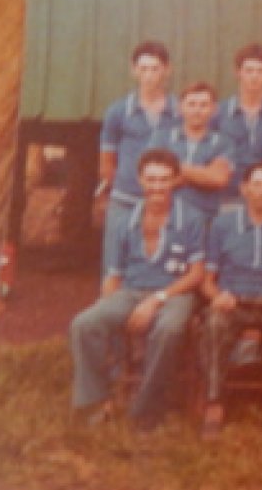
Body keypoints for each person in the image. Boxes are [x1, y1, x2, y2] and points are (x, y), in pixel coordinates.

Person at [70, 148, 203, 430]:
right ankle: (98, 400)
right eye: (151, 179)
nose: (157, 187)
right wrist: (106, 307)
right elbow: (114, 274)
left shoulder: (191, 218)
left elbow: (197, 274)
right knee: (84, 323)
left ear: (176, 180)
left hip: (175, 292)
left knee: (168, 329)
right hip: (131, 291)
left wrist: (157, 300)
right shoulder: (123, 220)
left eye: (164, 179)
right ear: (140, 180)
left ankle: (146, 406)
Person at [198, 162, 262, 437]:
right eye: (256, 184)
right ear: (244, 189)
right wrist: (218, 296)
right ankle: (214, 400)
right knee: (215, 323)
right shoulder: (222, 224)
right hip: (233, 300)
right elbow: (207, 280)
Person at [95, 40, 179, 272]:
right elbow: (107, 162)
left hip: (165, 200)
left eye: (155, 69)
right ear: (134, 71)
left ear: (167, 70)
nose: (149, 76)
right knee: (114, 262)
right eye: (143, 69)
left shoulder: (180, 111)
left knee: (159, 260)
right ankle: (111, 304)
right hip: (125, 199)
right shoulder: (118, 111)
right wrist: (119, 189)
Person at [148, 81, 233, 221]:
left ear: (214, 109)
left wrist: (173, 168)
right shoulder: (161, 137)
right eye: (191, 104)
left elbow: (218, 178)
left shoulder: (223, 142)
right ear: (180, 107)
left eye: (203, 105)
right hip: (165, 216)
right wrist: (203, 174)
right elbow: (153, 179)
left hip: (206, 217)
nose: (197, 110)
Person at [213, 43, 262, 202]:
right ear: (238, 72)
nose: (254, 76)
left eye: (260, 71)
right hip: (225, 198)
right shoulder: (219, 112)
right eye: (249, 70)